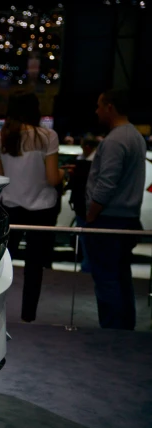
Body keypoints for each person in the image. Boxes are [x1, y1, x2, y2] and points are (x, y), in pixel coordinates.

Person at [0, 93, 63, 322]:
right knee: (35, 266)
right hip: (42, 209)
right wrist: (64, 173)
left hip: (11, 207)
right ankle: (28, 317)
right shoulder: (47, 136)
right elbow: (53, 178)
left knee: (1, 265)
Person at [84, 89, 146, 330]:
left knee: (107, 280)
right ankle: (124, 332)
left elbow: (106, 183)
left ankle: (111, 333)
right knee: (121, 278)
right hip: (127, 219)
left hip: (108, 221)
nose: (96, 110)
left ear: (110, 106)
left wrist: (90, 216)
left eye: (99, 105)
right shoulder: (136, 137)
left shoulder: (114, 140)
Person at [66, 135, 100, 272]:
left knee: (89, 238)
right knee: (85, 238)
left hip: (88, 204)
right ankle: (88, 264)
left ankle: (89, 266)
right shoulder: (82, 160)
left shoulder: (93, 162)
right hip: (81, 204)